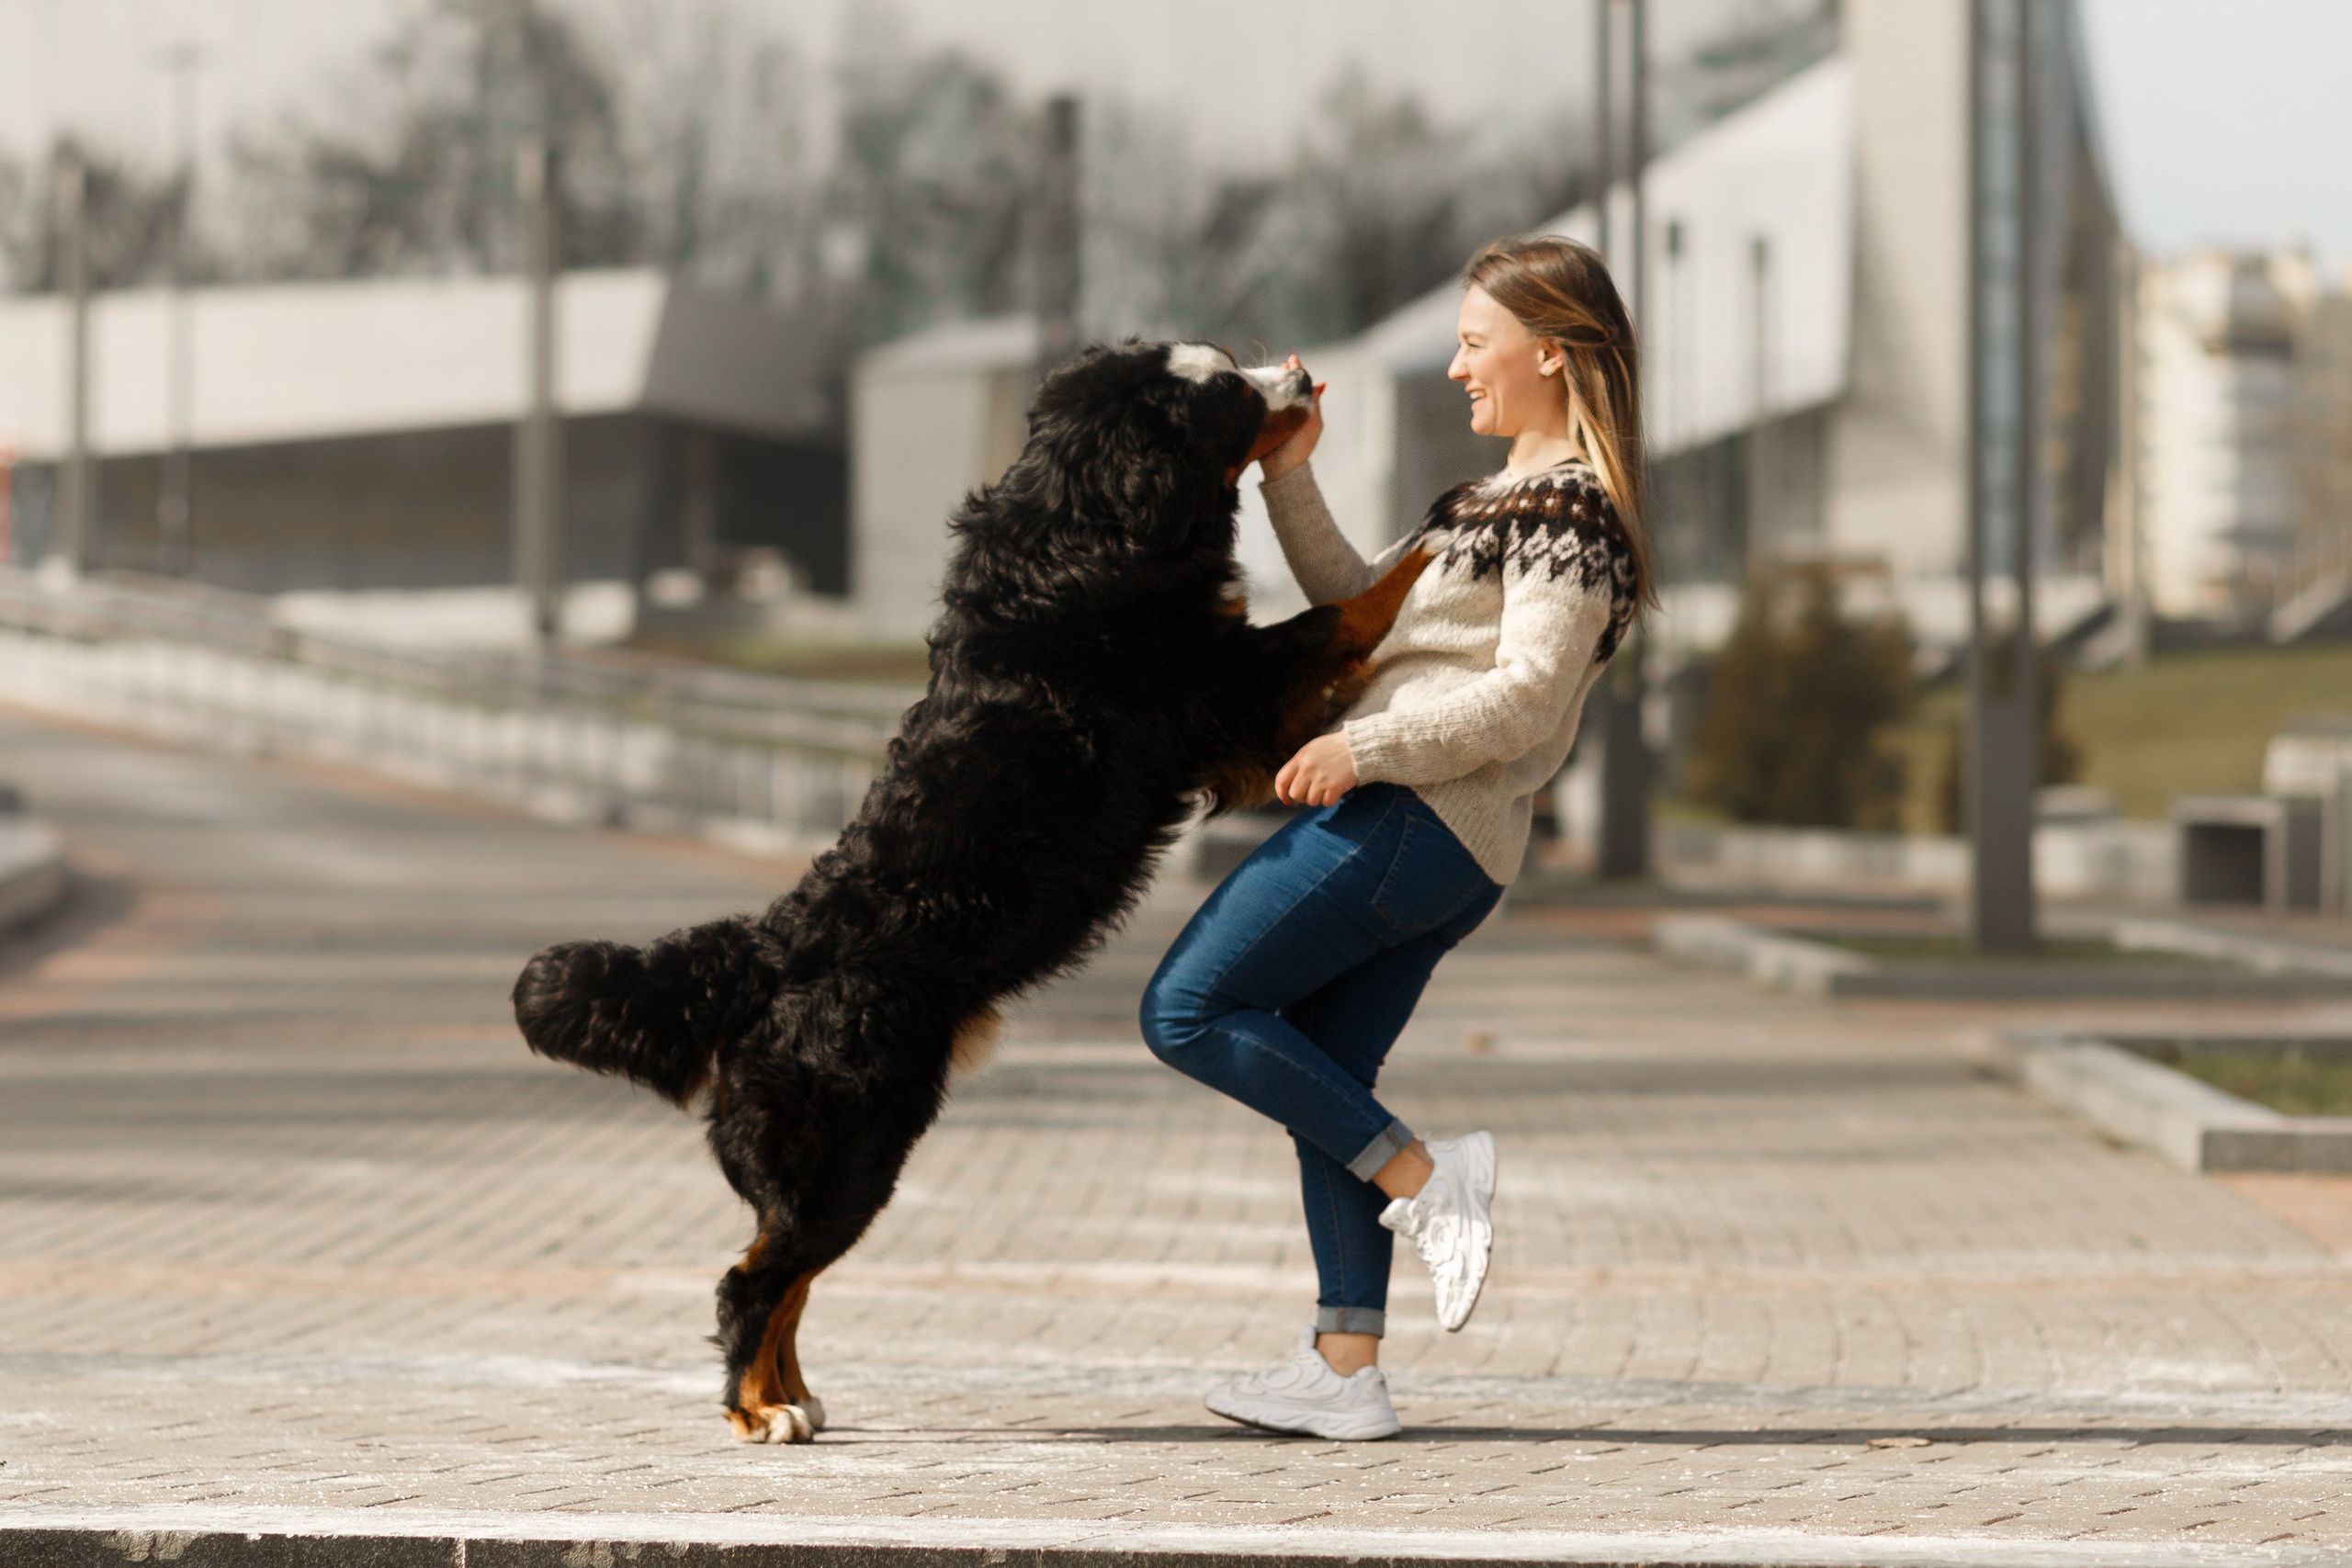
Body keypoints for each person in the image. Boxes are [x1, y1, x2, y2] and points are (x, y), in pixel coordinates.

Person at [1138, 234, 1656, 1440]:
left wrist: (1364, 749)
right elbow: (1357, 614)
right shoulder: (1488, 500)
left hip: (1415, 820)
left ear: (1552, 351)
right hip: (1435, 841)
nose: (1458, 368)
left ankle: (1429, 1178)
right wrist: (1289, 472)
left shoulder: (1571, 511)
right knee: (1327, 1078)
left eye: (1476, 345)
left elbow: (1525, 698)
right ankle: (1345, 1369)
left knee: (1188, 1009)